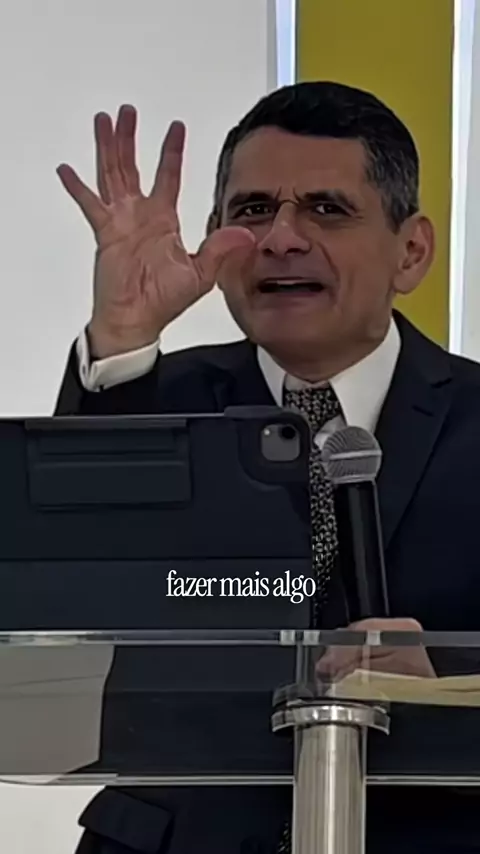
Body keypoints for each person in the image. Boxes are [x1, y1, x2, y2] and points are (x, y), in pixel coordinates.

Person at [55, 82, 480, 853]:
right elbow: (62, 581)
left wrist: (449, 684)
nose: (282, 238)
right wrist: (120, 334)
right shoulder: (150, 400)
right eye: (252, 210)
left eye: (326, 209)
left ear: (411, 251)